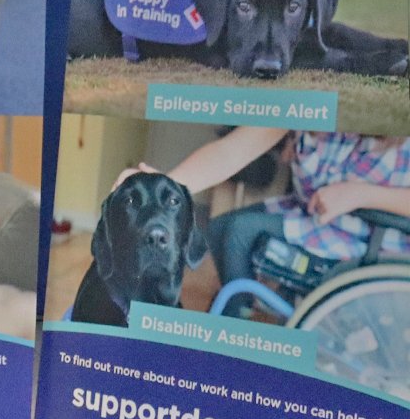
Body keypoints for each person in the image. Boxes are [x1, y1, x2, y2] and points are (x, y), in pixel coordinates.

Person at [125, 128, 410, 318]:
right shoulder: (309, 97)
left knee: (239, 234)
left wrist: (361, 194)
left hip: (367, 234)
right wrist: (162, 190)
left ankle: (233, 324)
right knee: (219, 227)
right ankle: (240, 311)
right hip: (310, 212)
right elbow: (231, 150)